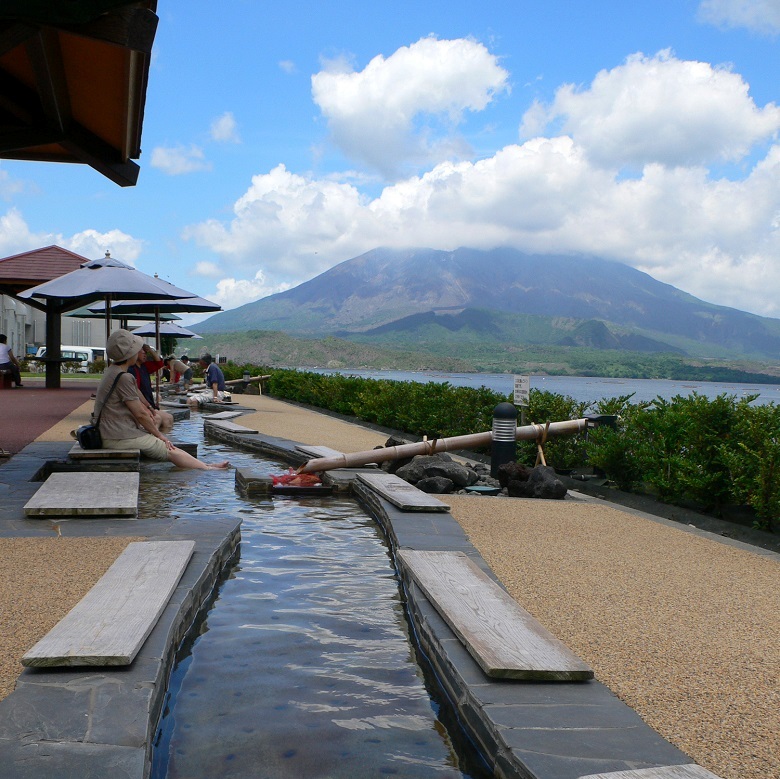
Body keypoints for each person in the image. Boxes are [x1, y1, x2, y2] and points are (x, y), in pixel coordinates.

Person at [95, 329, 228, 470]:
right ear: (130, 354)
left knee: (166, 443)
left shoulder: (112, 371)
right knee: (167, 447)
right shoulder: (124, 377)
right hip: (118, 436)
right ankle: (208, 469)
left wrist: (151, 410)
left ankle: (205, 465)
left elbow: (137, 396)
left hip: (109, 432)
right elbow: (140, 414)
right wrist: (160, 435)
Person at [128, 343, 173, 431]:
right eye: (143, 353)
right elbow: (135, 391)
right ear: (135, 354)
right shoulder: (131, 369)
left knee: (169, 418)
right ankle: (155, 440)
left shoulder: (144, 366)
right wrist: (148, 408)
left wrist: (150, 350)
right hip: (140, 405)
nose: (145, 355)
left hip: (148, 403)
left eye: (146, 353)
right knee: (157, 419)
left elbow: (159, 363)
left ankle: (164, 440)